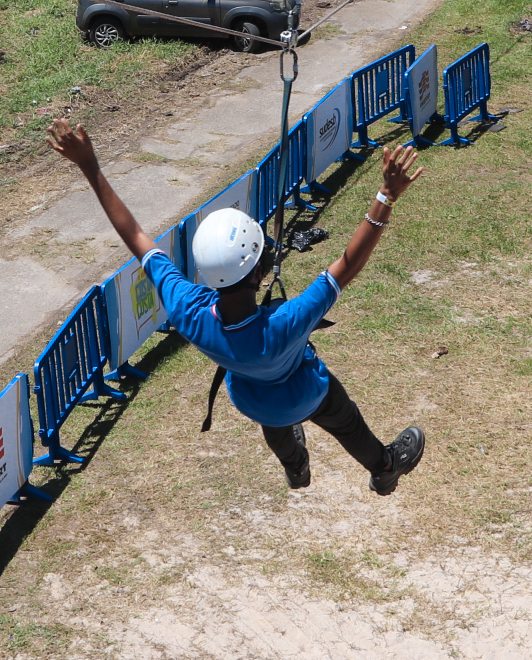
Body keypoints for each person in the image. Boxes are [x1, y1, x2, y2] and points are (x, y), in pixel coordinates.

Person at [48, 118, 429, 495]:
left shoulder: (188, 311)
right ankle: (384, 467)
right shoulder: (285, 322)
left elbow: (134, 236)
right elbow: (348, 265)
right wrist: (385, 195)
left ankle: (296, 468)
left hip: (254, 401)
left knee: (275, 419)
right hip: (304, 394)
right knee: (345, 420)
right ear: (260, 269)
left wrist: (89, 165)